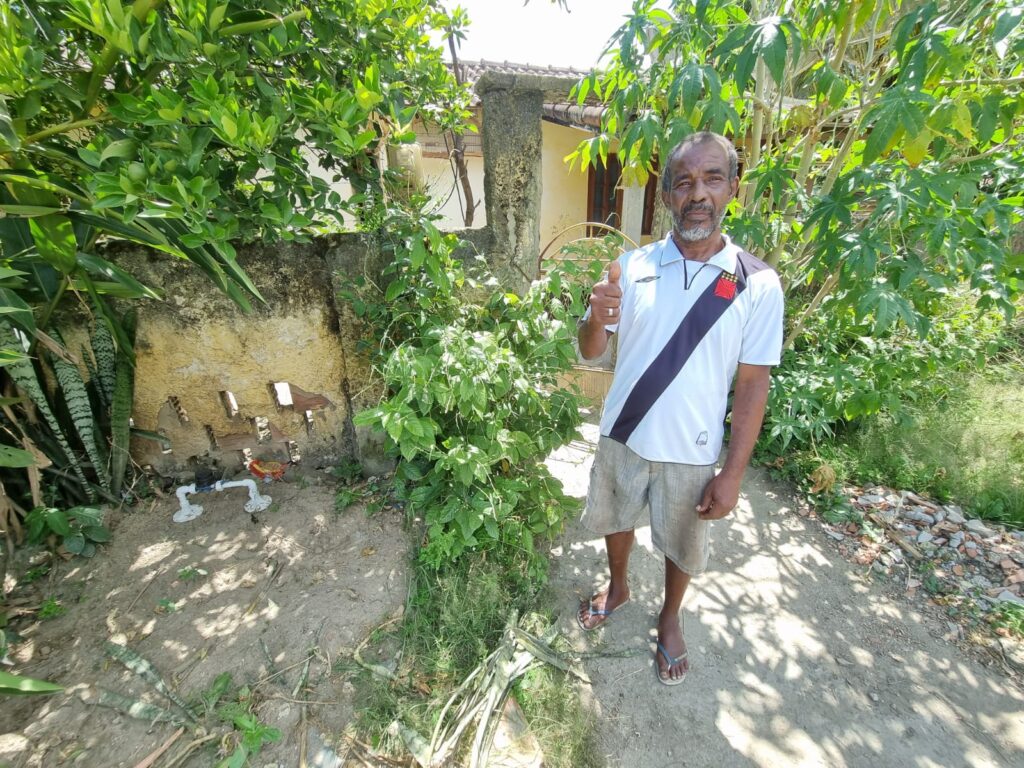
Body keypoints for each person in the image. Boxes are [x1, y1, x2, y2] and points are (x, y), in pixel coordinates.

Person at [575, 131, 784, 685]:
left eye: (712, 178)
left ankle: (670, 617)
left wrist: (733, 473)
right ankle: (618, 587)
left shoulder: (758, 284)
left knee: (683, 543)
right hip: (623, 432)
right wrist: (594, 316)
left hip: (692, 450)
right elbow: (591, 350)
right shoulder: (632, 264)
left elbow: (754, 384)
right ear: (666, 194)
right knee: (614, 520)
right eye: (684, 181)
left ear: (733, 189)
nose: (698, 193)